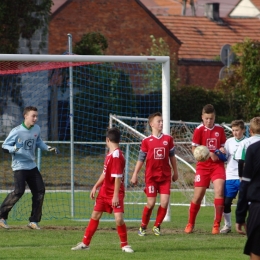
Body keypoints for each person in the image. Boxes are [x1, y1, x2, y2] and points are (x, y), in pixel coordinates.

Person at [71, 127, 134, 253]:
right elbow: (105, 174)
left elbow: (117, 178)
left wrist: (115, 196)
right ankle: (85, 243)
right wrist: (96, 186)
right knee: (95, 215)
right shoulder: (110, 155)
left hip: (115, 192)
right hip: (104, 190)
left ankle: (125, 245)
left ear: (107, 140)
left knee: (118, 219)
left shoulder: (116, 156)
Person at [0, 106, 60, 230]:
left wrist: (48, 148)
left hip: (31, 166)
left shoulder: (36, 128)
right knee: (19, 191)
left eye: (36, 116)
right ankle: (1, 217)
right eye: (33, 116)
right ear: (25, 116)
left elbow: (38, 142)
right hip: (19, 166)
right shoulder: (17, 131)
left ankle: (33, 221)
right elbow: (5, 146)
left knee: (40, 191)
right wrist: (14, 149)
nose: (35, 118)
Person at [130, 112, 179, 236]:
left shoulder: (168, 139)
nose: (161, 123)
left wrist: (175, 171)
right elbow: (141, 159)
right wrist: (135, 173)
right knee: (151, 203)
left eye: (162, 121)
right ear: (151, 124)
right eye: (159, 121)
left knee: (164, 202)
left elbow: (172, 157)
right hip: (151, 177)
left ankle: (157, 226)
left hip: (165, 177)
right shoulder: (146, 141)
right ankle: (143, 226)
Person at [184, 104, 226, 235]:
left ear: (214, 117)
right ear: (202, 117)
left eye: (211, 118)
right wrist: (205, 154)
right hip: (203, 167)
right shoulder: (198, 130)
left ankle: (216, 225)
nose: (209, 121)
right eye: (206, 118)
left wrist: (221, 151)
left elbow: (224, 148)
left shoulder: (220, 130)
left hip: (217, 165)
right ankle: (190, 223)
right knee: (198, 197)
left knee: (219, 191)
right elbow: (194, 149)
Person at [219, 120, 247, 233]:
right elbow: (224, 158)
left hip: (244, 177)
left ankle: (246, 224)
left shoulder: (248, 142)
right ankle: (227, 225)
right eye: (233, 130)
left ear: (243, 130)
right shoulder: (229, 141)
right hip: (230, 176)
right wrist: (221, 152)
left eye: (237, 130)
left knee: (246, 202)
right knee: (226, 202)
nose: (235, 133)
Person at [236, 140, 260, 260]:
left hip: (258, 207)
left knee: (256, 250)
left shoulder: (254, 148)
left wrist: (240, 215)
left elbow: (245, 183)